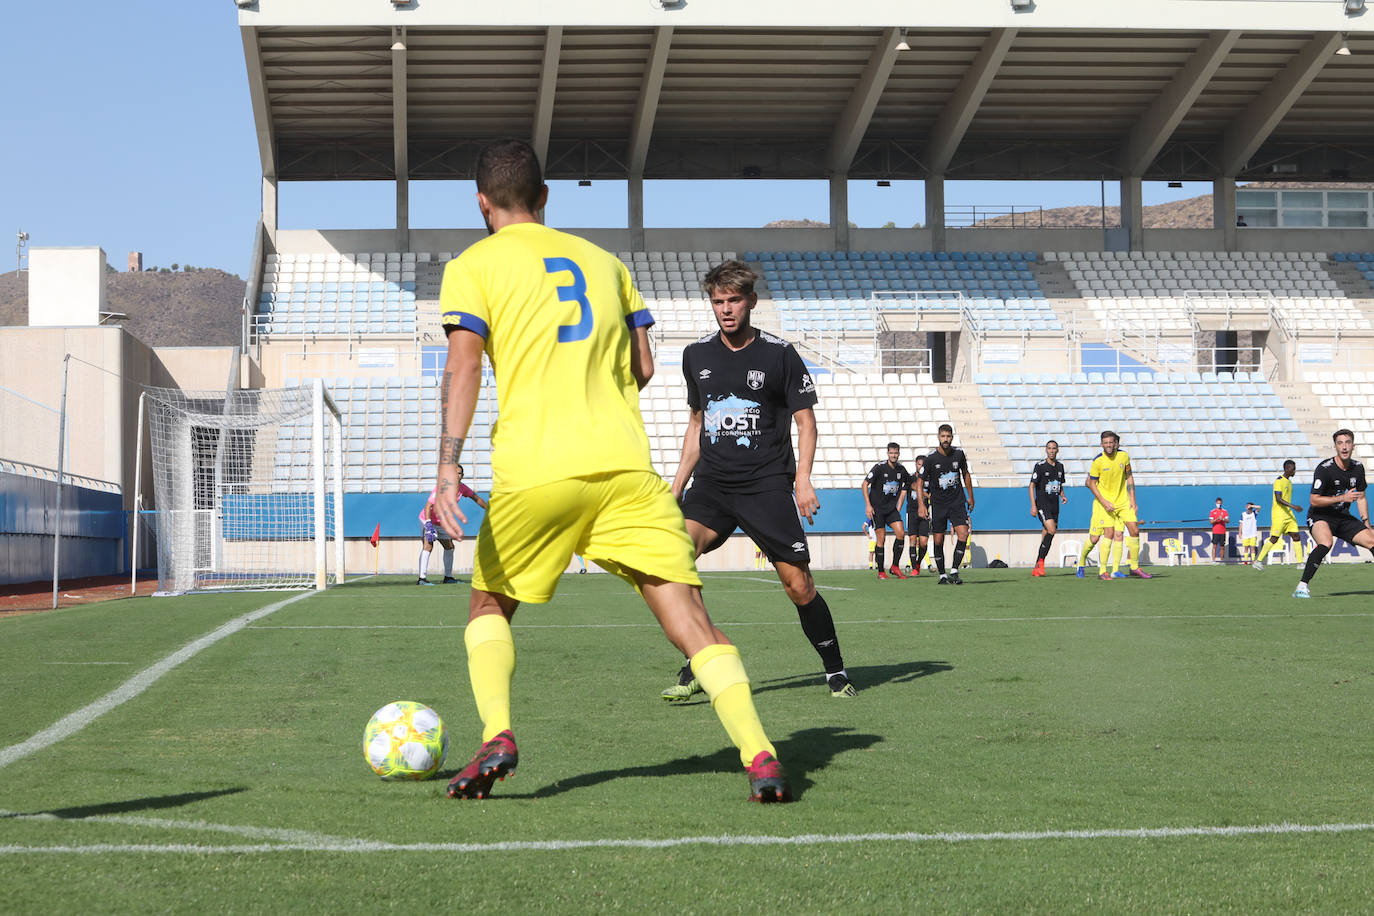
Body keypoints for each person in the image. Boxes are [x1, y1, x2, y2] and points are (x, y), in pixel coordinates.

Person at [432, 139, 791, 802]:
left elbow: (463, 366)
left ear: (482, 204)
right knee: (690, 620)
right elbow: (646, 368)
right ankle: (760, 752)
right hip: (625, 468)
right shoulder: (604, 263)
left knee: (488, 604)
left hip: (536, 470)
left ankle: (498, 734)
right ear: (545, 199)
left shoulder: (473, 267)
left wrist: (448, 466)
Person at [662, 259, 855, 702]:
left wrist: (802, 480)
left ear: (750, 301)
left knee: (798, 585)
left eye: (733, 300)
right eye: (717, 301)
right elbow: (697, 425)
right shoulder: (697, 356)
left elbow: (807, 423)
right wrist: (675, 489)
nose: (725, 309)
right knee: (675, 559)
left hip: (766, 485)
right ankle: (702, 656)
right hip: (711, 485)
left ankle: (835, 671)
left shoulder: (779, 355)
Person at [1292, 429, 1372, 599]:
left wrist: (1366, 523)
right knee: (1326, 543)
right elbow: (1314, 500)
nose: (1344, 447)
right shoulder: (1325, 468)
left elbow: (1361, 497)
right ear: (1335, 446)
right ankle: (1302, 586)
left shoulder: (1358, 468)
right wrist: (1342, 497)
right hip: (1320, 516)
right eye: (1340, 443)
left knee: (1372, 540)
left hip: (1342, 517)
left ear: (1353, 446)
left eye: (1347, 442)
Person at [1079, 430, 1152, 580]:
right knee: (1100, 537)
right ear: (1101, 444)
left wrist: (1133, 500)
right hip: (1103, 504)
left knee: (1134, 530)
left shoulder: (1124, 456)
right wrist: (1104, 502)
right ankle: (1096, 569)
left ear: (1116, 443)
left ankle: (1133, 567)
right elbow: (1091, 483)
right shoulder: (1097, 461)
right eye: (1105, 443)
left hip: (1123, 502)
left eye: (1110, 442)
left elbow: (1129, 477)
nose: (1108, 445)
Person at [916, 424, 974, 585]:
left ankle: (954, 570)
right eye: (943, 436)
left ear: (952, 437)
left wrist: (971, 496)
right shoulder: (931, 459)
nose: (946, 439)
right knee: (938, 540)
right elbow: (919, 482)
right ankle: (942, 574)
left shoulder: (959, 454)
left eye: (948, 436)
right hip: (939, 504)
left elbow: (966, 474)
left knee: (963, 533)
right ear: (938, 437)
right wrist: (922, 505)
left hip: (957, 502)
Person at [417, 465, 486, 585]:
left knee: (449, 547)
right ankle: (421, 579)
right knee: (428, 545)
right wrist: (428, 525)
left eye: (459, 473)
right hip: (427, 519)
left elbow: (476, 498)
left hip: (442, 522)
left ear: (462, 476)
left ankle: (448, 578)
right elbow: (428, 506)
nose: (457, 475)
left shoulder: (462, 488)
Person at [862, 442, 912, 579]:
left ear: (899, 454)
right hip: (877, 509)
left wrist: (899, 506)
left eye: (896, 453)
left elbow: (907, 486)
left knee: (901, 533)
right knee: (881, 539)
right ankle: (881, 572)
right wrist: (868, 505)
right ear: (888, 453)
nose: (894, 455)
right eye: (891, 453)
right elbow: (865, 484)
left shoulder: (901, 470)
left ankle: (895, 566)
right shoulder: (879, 468)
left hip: (891, 510)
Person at [1254, 460, 1305, 570]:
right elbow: (1278, 499)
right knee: (1274, 538)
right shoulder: (1279, 481)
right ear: (1287, 468)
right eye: (1293, 469)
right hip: (1279, 515)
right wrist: (1294, 506)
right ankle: (1258, 561)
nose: (1295, 471)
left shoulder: (1289, 482)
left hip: (1288, 514)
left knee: (1296, 536)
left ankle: (1300, 563)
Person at [1028, 440, 1068, 577]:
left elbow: (1059, 484)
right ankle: (1041, 564)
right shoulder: (1040, 466)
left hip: (1054, 506)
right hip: (1042, 505)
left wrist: (1062, 495)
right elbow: (1032, 486)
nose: (1051, 451)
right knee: (1052, 529)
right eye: (1049, 448)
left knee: (1048, 535)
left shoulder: (1060, 467)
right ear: (1046, 450)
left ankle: (1038, 566)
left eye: (1054, 448)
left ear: (1057, 450)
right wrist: (1033, 505)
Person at [906, 454, 931, 575]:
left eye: (922, 465)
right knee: (912, 539)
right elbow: (915, 486)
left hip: (925, 513)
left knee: (924, 542)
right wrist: (927, 495)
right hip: (912, 512)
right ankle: (914, 569)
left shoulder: (930, 480)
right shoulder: (910, 478)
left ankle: (918, 563)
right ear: (916, 465)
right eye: (918, 464)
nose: (920, 466)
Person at [1208, 497, 1229, 563]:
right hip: (1215, 531)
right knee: (1214, 546)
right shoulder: (1212, 512)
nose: (1219, 504)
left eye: (1220, 503)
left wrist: (1223, 519)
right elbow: (1211, 522)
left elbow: (1228, 520)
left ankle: (1221, 560)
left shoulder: (1224, 511)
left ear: (1221, 503)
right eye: (1217, 503)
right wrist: (1217, 519)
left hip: (1222, 531)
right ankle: (1213, 560)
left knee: (1222, 546)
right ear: (1215, 503)